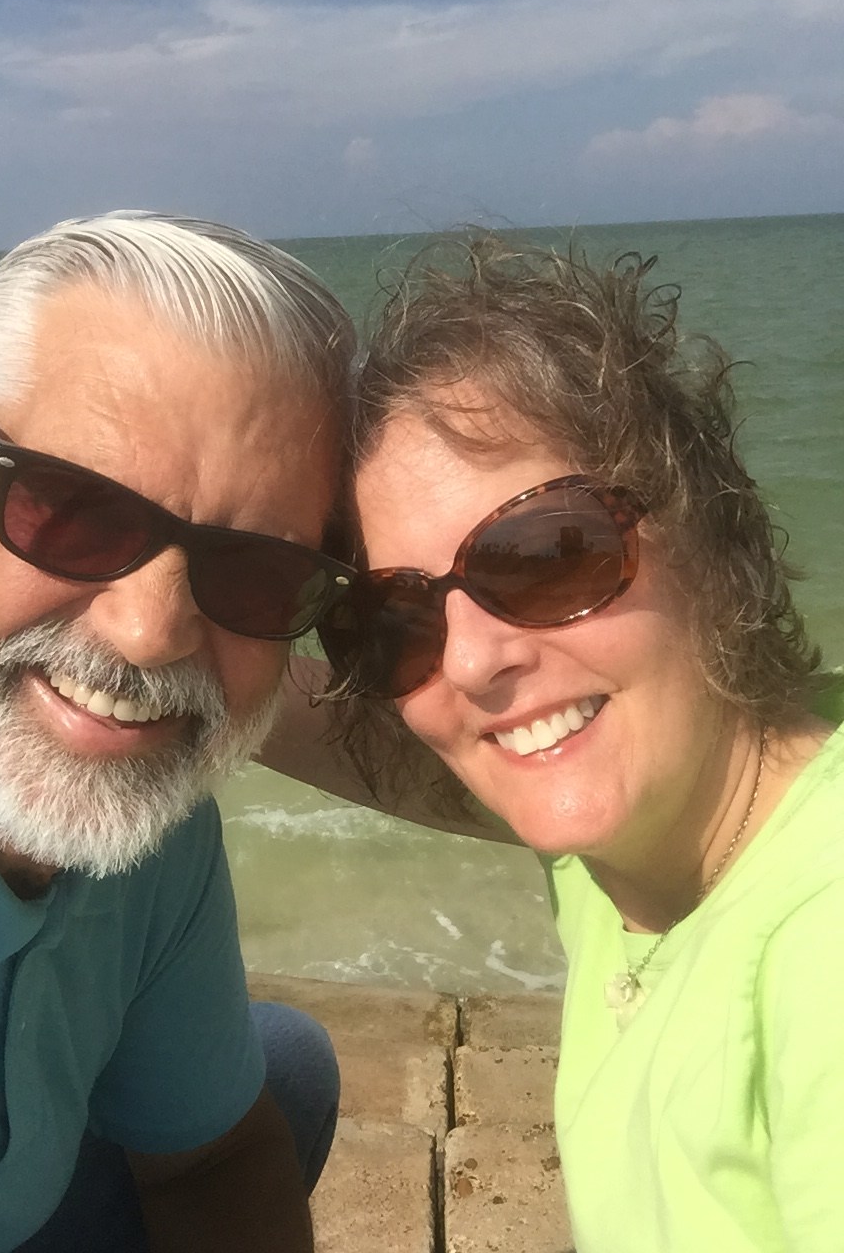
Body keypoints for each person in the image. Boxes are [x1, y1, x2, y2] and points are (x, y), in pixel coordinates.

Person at [264, 236, 844, 1250]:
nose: (470, 662)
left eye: (545, 556)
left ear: (707, 531)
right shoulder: (640, 833)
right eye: (395, 621)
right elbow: (404, 768)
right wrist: (170, 660)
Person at [0, 210, 357, 1252]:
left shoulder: (148, 817)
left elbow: (214, 1160)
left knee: (282, 1070)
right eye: (75, 509)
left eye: (257, 568)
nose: (150, 634)